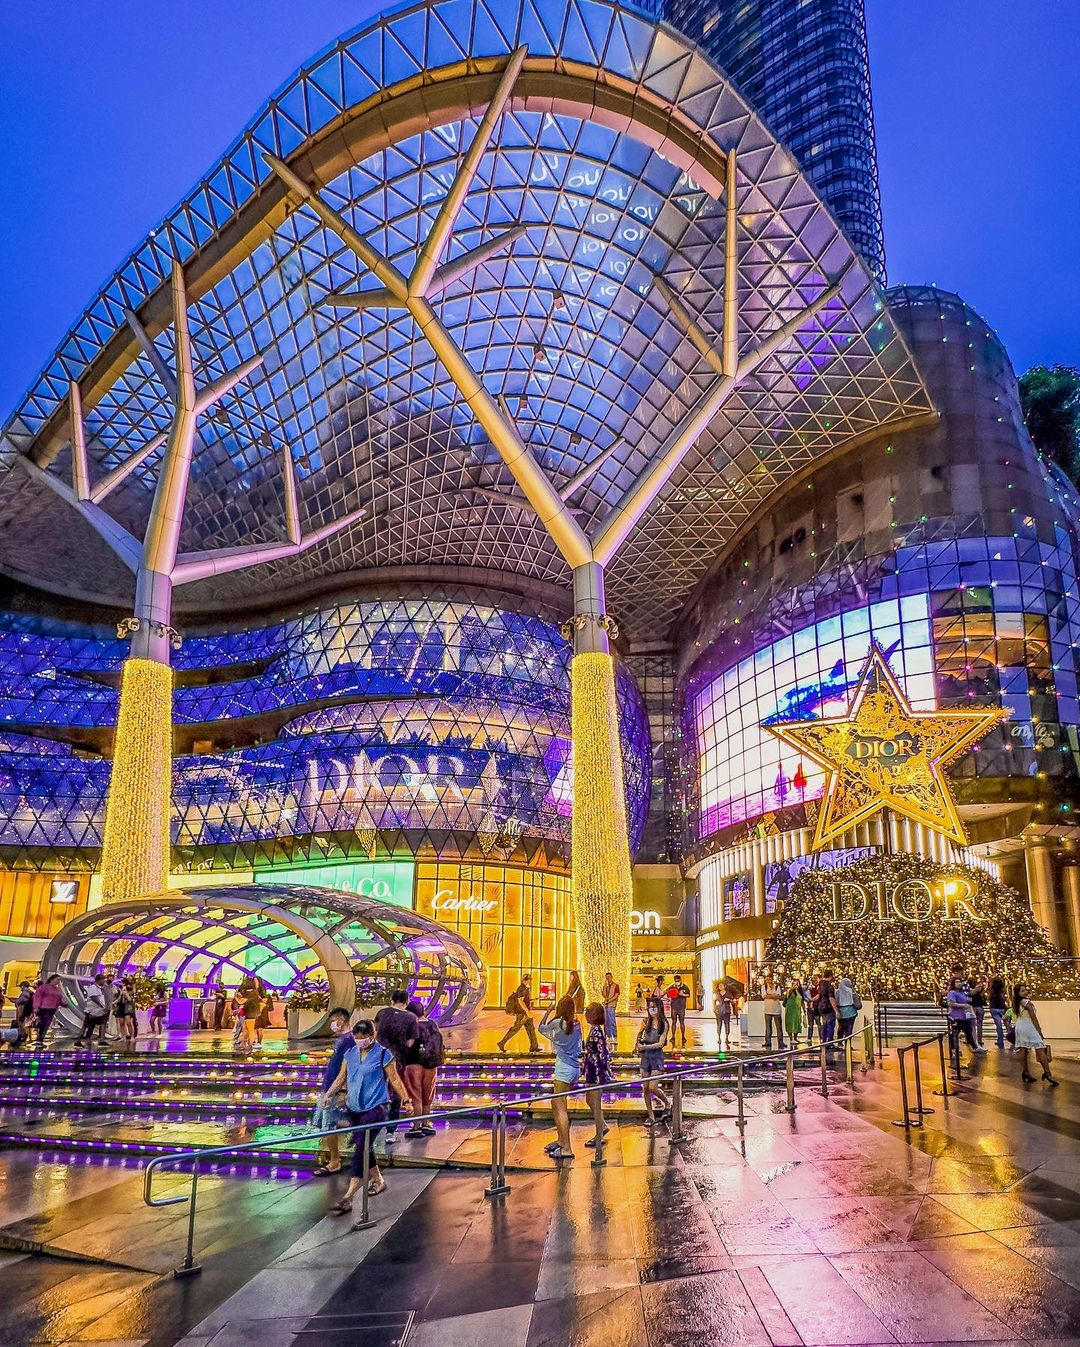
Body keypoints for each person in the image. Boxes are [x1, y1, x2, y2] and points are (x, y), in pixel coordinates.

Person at [322, 1019, 412, 1214]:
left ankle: (348, 1197)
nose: (360, 1041)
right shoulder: (350, 1054)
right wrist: (328, 1095)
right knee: (364, 1145)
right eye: (357, 1037)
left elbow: (394, 1078)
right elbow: (341, 1077)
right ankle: (378, 1180)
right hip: (354, 1107)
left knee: (362, 1146)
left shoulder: (383, 1054)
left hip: (377, 1106)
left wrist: (406, 1100)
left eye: (364, 1038)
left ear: (373, 1036)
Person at [538, 994, 582, 1160]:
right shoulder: (576, 1025)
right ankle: (561, 1140)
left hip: (563, 1069)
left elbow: (541, 1028)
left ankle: (567, 1148)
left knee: (561, 1108)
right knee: (555, 1104)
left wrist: (548, 1011)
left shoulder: (557, 1024)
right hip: (574, 1068)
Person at [313, 1006, 354, 1175]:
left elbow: (347, 1069)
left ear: (341, 1020)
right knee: (329, 1125)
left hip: (336, 1090)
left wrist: (340, 1091)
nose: (332, 1025)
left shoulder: (348, 1040)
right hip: (330, 1088)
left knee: (331, 1126)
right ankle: (335, 1158)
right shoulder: (343, 1040)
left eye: (333, 1021)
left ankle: (335, 1161)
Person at [374, 990, 419, 1145]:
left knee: (376, 1090)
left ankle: (371, 1125)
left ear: (392, 999)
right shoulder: (411, 1018)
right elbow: (410, 1043)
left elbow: (375, 1033)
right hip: (397, 1059)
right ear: (407, 1001)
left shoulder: (382, 1013)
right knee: (395, 1093)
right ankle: (390, 1130)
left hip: (377, 1058)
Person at [403, 999, 443, 1137]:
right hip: (431, 1064)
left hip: (414, 1063)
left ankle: (416, 1126)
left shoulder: (413, 1026)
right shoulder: (433, 1024)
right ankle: (426, 1123)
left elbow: (409, 1044)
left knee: (415, 1096)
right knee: (427, 1096)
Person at [582, 1002, 613, 1166]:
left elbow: (602, 1053)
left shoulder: (597, 1032)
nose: (585, 1014)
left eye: (588, 1012)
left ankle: (599, 1134)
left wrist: (603, 1072)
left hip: (596, 1071)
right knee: (589, 1101)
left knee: (595, 1102)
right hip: (590, 1069)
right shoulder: (592, 1030)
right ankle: (603, 1126)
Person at [1011, 982, 1058, 1085]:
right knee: (1040, 1048)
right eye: (1022, 991)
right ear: (1018, 993)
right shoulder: (1026, 1002)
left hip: (1020, 1026)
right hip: (1028, 1026)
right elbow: (1033, 1017)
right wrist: (1039, 1030)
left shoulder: (1016, 1002)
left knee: (1023, 1049)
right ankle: (1047, 1073)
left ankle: (1025, 1072)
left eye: (1025, 989)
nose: (1025, 992)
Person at [497, 974, 540, 1053]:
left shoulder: (526, 989)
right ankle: (502, 1043)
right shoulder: (521, 988)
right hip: (522, 1014)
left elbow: (524, 1000)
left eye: (530, 979)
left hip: (525, 1013)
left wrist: (532, 999)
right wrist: (527, 1011)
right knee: (515, 1029)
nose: (530, 981)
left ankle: (534, 1047)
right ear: (524, 980)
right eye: (528, 980)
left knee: (531, 1029)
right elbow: (520, 1001)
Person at [946, 976, 985, 1054]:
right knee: (955, 1033)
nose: (959, 984)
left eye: (960, 982)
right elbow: (951, 1003)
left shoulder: (962, 992)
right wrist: (963, 1005)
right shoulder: (952, 993)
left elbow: (969, 994)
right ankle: (954, 1049)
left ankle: (974, 1046)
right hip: (956, 1016)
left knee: (968, 1031)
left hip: (964, 1015)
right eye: (956, 982)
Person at [74, 974, 109, 1047]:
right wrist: (102, 1005)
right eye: (103, 980)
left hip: (98, 1011)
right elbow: (94, 998)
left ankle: (95, 1039)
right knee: (86, 1026)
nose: (104, 981)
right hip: (91, 1011)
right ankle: (78, 1040)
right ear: (99, 980)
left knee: (96, 1025)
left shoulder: (99, 988)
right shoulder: (93, 988)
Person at [31, 974, 64, 1046]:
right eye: (57, 979)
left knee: (46, 1025)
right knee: (43, 1024)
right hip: (44, 1009)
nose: (58, 981)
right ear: (52, 979)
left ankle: (40, 1039)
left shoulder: (57, 989)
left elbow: (59, 999)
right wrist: (36, 1007)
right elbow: (37, 997)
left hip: (52, 1009)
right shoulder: (44, 987)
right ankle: (39, 1039)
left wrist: (64, 1004)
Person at [816, 970, 839, 1044]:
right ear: (831, 976)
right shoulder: (829, 986)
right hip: (828, 1007)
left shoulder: (820, 984)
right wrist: (836, 1009)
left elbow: (818, 995)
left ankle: (823, 1040)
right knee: (830, 1025)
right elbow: (831, 998)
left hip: (821, 1007)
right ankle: (830, 1042)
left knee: (824, 1024)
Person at [240, 979, 263, 1051]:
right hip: (253, 1013)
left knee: (250, 1030)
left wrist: (236, 997)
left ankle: (250, 1044)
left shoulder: (250, 993)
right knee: (247, 1029)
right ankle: (245, 1043)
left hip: (250, 1013)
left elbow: (242, 1001)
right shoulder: (254, 992)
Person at [762, 978, 784, 1051]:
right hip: (767, 1010)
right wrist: (773, 995)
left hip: (776, 1010)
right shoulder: (764, 987)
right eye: (767, 979)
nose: (768, 981)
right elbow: (764, 996)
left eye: (770, 979)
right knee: (768, 1027)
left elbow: (778, 996)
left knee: (779, 1027)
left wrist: (769, 995)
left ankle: (780, 1042)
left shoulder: (777, 987)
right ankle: (768, 1042)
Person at [114, 977, 138, 1043]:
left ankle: (132, 1036)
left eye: (123, 983)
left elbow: (130, 1000)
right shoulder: (121, 990)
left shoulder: (131, 991)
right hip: (121, 1006)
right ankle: (123, 1036)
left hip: (128, 1007)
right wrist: (113, 1003)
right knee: (121, 1023)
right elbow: (119, 999)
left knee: (128, 1023)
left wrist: (126, 994)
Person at [668, 978, 690, 1048]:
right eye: (676, 981)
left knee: (682, 1022)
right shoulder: (672, 987)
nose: (677, 982)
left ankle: (683, 1037)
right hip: (674, 1007)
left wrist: (682, 994)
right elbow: (668, 995)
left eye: (678, 981)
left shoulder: (685, 987)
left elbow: (688, 995)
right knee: (673, 1022)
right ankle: (673, 1036)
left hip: (681, 1007)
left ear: (680, 980)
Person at [988, 976, 1008, 1049]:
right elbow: (1003, 999)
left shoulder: (991, 990)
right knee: (1007, 1025)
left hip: (994, 1008)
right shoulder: (1002, 991)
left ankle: (1000, 1041)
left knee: (999, 1026)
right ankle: (1012, 1039)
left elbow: (989, 998)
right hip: (1002, 1008)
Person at [715, 983, 736, 1051]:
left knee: (727, 1024)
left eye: (722, 985)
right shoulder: (717, 994)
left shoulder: (728, 993)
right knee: (719, 1024)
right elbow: (715, 1002)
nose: (720, 987)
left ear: (724, 986)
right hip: (719, 1011)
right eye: (719, 986)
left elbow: (733, 1001)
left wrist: (729, 1000)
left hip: (726, 1011)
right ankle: (719, 1037)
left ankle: (727, 1037)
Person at [601, 972, 620, 1045]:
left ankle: (614, 1036)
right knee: (606, 1021)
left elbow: (616, 996)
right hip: (606, 1006)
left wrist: (608, 1001)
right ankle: (607, 1035)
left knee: (612, 1021)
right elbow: (604, 995)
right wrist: (605, 987)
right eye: (606, 977)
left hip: (611, 1006)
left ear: (611, 977)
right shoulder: (606, 986)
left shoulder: (616, 986)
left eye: (609, 977)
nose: (608, 979)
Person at [784, 981, 804, 1047]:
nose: (796, 985)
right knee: (790, 1023)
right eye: (794, 984)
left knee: (797, 1023)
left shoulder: (800, 992)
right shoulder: (789, 991)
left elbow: (802, 1001)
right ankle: (791, 1038)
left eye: (797, 984)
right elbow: (785, 1001)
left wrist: (804, 1009)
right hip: (790, 1010)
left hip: (797, 1010)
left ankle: (795, 1038)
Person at [98, 974, 116, 1044]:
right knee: (102, 1021)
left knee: (105, 1021)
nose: (111, 980)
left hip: (109, 1006)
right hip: (103, 1006)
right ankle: (101, 1037)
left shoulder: (112, 986)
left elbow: (114, 994)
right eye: (110, 978)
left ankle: (102, 1035)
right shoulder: (103, 986)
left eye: (112, 979)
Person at [969, 979, 988, 1047]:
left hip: (972, 1007)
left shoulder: (969, 990)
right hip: (980, 1007)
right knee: (980, 1025)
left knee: (972, 1025)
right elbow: (983, 995)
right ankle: (979, 1040)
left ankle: (971, 1039)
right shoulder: (979, 989)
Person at [805, 974, 821, 1046]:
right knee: (810, 1024)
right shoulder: (809, 989)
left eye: (816, 979)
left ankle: (821, 1037)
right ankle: (809, 1037)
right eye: (813, 979)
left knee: (819, 1024)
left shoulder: (819, 989)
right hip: (809, 1009)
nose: (814, 981)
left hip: (817, 1008)